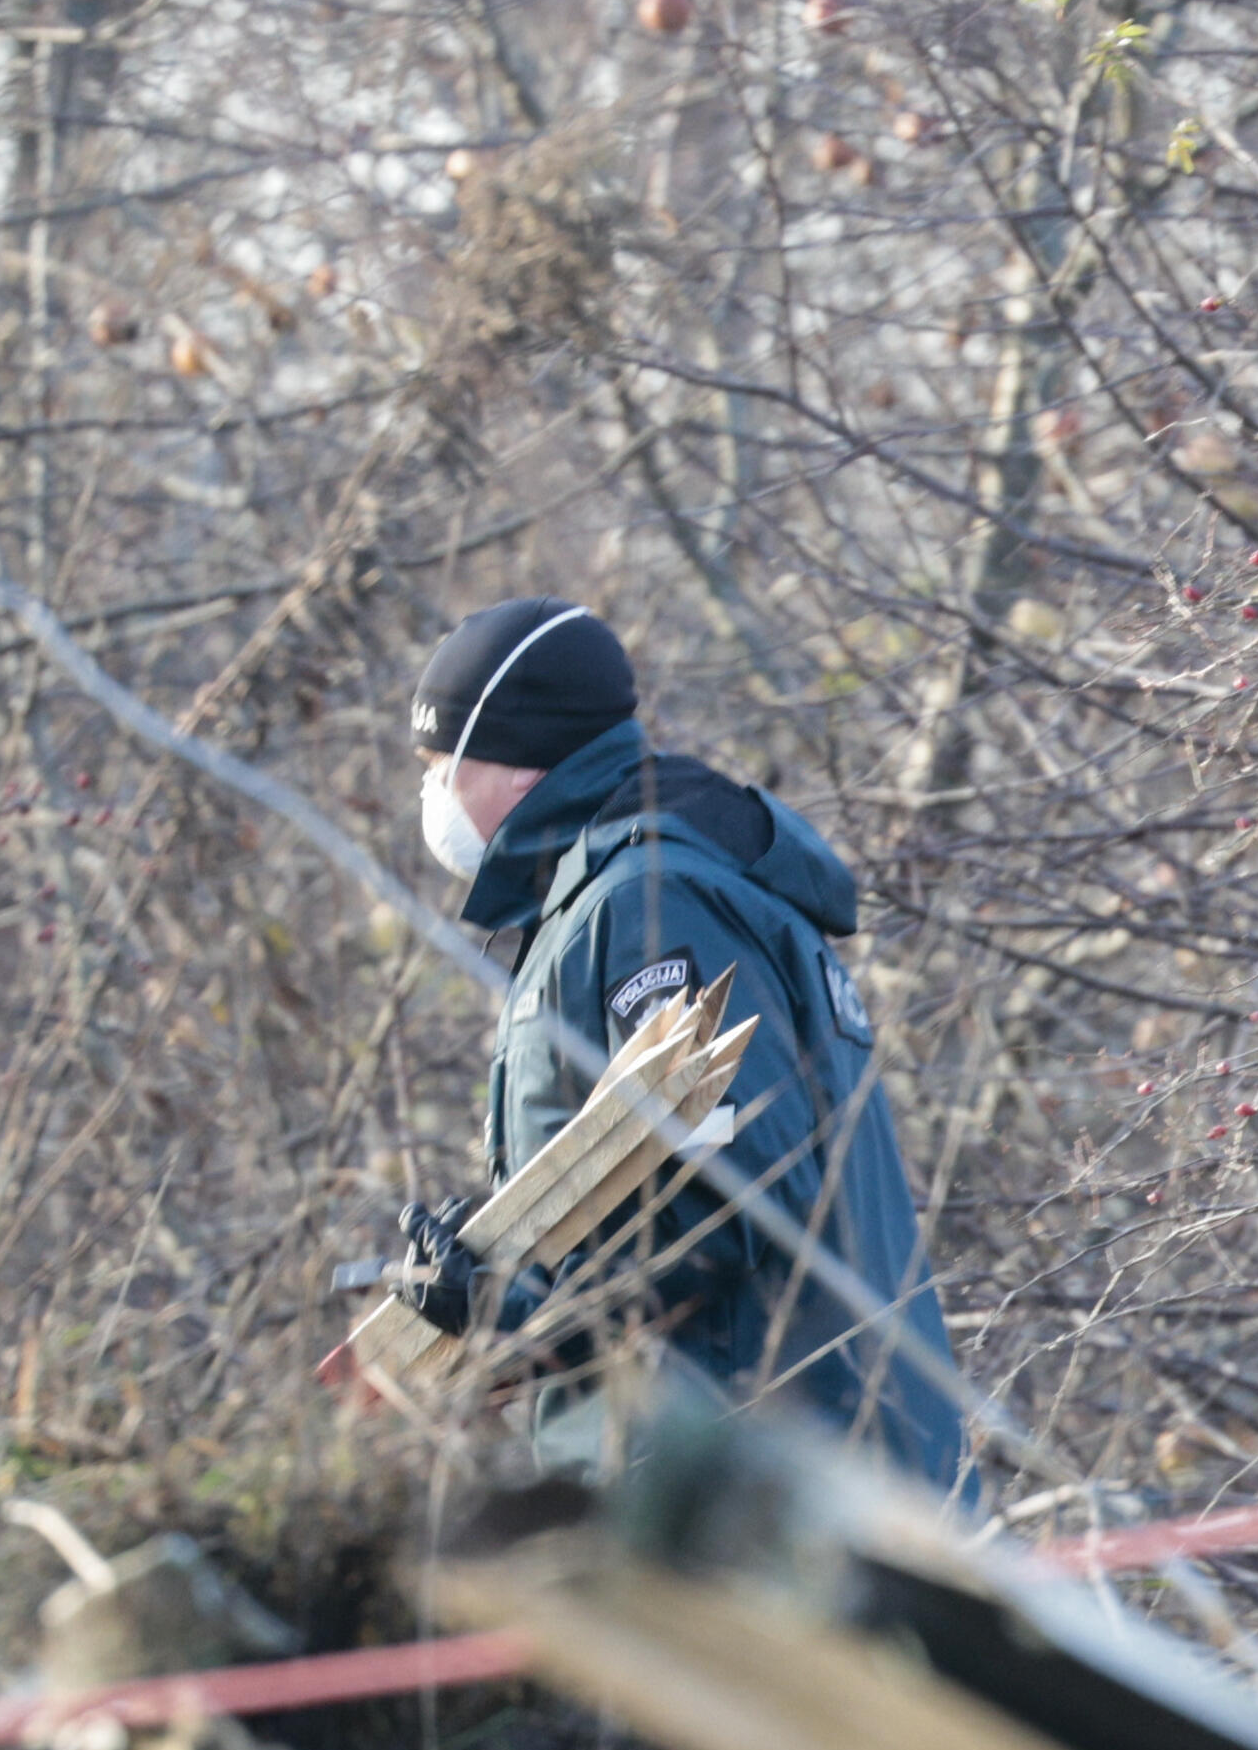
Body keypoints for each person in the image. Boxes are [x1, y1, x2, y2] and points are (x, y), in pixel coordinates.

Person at [391, 596, 973, 1491]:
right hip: (752, 1478)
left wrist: (513, 1315)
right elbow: (639, 1183)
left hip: (771, 1489)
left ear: (516, 765)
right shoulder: (617, 894)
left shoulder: (652, 902)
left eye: (441, 766)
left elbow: (729, 1198)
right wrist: (490, 1265)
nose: (430, 792)